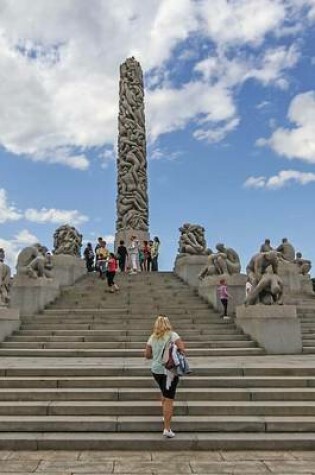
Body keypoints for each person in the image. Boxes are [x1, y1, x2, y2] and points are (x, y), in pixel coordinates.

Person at [145, 315, 185, 438]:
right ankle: (167, 429)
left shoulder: (152, 337)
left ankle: (165, 415)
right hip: (169, 371)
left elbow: (147, 355)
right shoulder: (173, 335)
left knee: (164, 393)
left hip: (156, 370)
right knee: (169, 399)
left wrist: (157, 356)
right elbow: (182, 349)